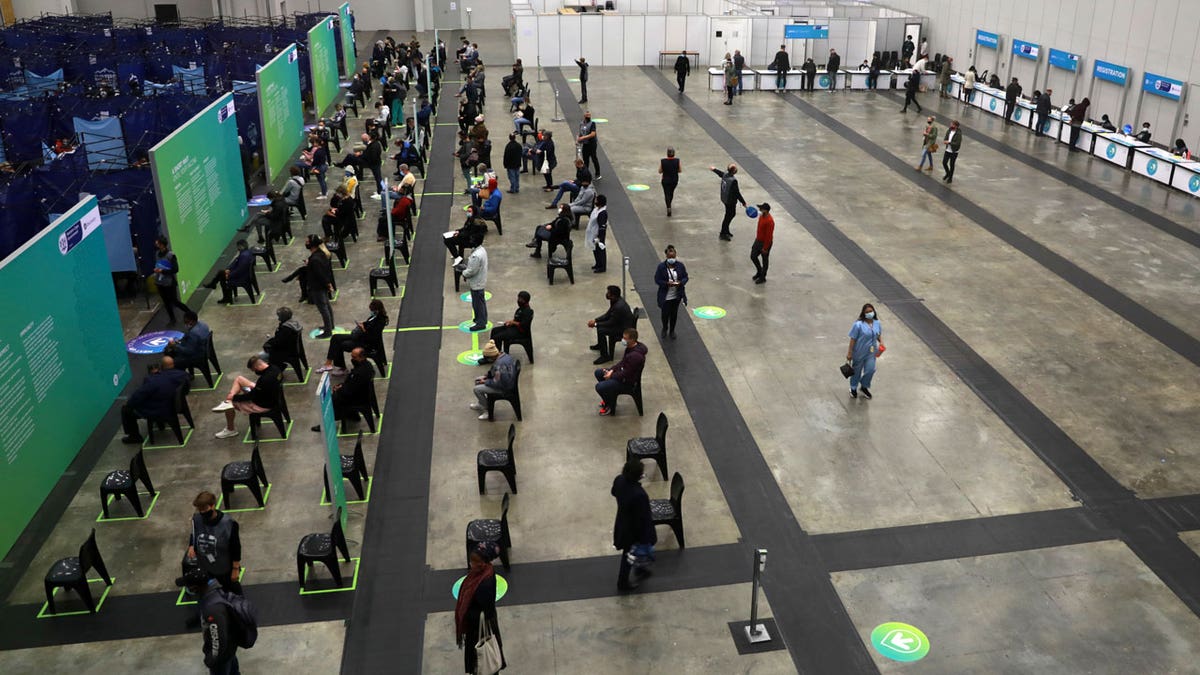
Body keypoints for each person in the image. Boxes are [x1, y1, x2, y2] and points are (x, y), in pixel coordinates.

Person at [175, 569, 243, 675]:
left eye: (188, 586)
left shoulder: (212, 610)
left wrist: (211, 659)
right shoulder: (213, 593)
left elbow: (218, 640)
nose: (187, 588)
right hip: (230, 648)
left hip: (222, 657)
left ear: (195, 588)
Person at [455, 542, 507, 673]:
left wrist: (469, 615)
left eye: (474, 561)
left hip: (480, 628)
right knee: (482, 660)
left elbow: (488, 609)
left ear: (482, 562)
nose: (471, 563)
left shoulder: (484, 582)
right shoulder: (480, 574)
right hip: (477, 626)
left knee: (483, 659)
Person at [120, 356, 190, 444]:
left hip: (159, 409)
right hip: (171, 405)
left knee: (126, 409)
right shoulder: (180, 376)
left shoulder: (152, 381)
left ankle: (134, 436)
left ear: (161, 367)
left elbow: (136, 398)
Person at [211, 356, 283, 439]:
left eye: (254, 370)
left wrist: (235, 397)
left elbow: (251, 397)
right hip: (270, 395)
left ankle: (231, 429)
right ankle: (228, 400)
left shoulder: (264, 380)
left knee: (230, 405)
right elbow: (259, 391)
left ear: (257, 367)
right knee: (239, 379)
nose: (255, 372)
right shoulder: (275, 368)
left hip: (263, 405)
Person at [611, 458, 656, 591]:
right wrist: (647, 536)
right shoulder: (639, 495)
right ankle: (622, 582)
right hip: (634, 530)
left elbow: (614, 492)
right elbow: (644, 518)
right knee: (629, 554)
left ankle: (640, 569)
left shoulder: (619, 480)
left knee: (632, 552)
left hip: (622, 522)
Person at [186, 491, 243, 590]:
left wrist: (235, 569)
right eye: (200, 509)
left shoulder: (229, 524)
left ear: (213, 506)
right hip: (205, 565)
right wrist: (191, 545)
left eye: (204, 508)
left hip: (224, 566)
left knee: (233, 592)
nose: (202, 512)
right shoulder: (197, 519)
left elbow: (236, 547)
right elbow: (194, 533)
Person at [313, 348, 376, 432]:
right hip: (362, 393)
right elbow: (352, 384)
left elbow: (349, 391)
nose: (352, 359)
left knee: (332, 399)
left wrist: (338, 389)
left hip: (358, 398)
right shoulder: (367, 365)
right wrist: (342, 385)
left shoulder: (359, 373)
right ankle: (352, 415)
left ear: (361, 357)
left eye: (354, 357)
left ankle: (326, 424)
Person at [318, 300, 388, 375]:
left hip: (367, 343)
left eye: (372, 310)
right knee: (335, 337)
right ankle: (328, 363)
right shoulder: (373, 317)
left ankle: (342, 368)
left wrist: (363, 329)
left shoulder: (380, 321)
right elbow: (367, 323)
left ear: (377, 310)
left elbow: (372, 337)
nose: (371, 312)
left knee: (341, 344)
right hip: (359, 337)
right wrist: (362, 324)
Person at [594, 328, 647, 416]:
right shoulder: (630, 348)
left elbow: (626, 373)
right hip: (621, 376)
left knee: (599, 387)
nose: (623, 340)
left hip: (627, 382)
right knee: (598, 372)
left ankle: (609, 405)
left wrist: (611, 376)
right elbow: (622, 362)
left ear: (632, 339)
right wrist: (611, 370)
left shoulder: (636, 356)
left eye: (625, 338)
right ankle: (609, 398)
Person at [846, 303, 884, 399]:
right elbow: (853, 339)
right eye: (867, 312)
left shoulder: (877, 323)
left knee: (871, 370)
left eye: (870, 311)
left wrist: (881, 342)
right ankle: (853, 388)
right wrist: (849, 352)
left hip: (871, 352)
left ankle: (864, 386)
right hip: (859, 352)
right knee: (856, 372)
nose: (869, 313)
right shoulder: (858, 325)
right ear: (863, 313)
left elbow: (878, 334)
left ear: (874, 311)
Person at [588, 285, 634, 364]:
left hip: (623, 329)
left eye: (608, 293)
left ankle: (605, 356)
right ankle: (601, 345)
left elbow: (610, 322)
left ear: (613, 295)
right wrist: (596, 320)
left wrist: (595, 324)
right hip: (618, 323)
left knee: (601, 330)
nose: (607, 294)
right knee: (600, 328)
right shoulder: (615, 301)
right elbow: (608, 314)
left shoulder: (619, 307)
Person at [205, 240, 255, 305]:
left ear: (241, 246)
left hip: (242, 278)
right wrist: (228, 269)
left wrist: (230, 275)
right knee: (221, 273)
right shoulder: (247, 252)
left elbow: (240, 269)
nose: (237, 248)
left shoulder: (243, 256)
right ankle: (214, 285)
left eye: (238, 247)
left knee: (222, 276)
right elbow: (236, 262)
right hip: (244, 274)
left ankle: (223, 295)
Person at [153, 236, 190, 323]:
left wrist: (162, 270)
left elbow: (175, 269)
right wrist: (157, 270)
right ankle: (172, 318)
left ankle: (189, 312)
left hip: (169, 283)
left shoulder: (171, 255)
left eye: (158, 244)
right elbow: (158, 264)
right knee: (166, 302)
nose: (157, 245)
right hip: (160, 282)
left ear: (162, 245)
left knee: (174, 301)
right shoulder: (157, 254)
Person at [654, 245, 688, 339]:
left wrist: (681, 282)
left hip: (676, 296)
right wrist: (666, 283)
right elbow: (657, 280)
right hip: (665, 296)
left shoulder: (680, 266)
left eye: (673, 257)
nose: (672, 259)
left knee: (674, 314)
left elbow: (685, 277)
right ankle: (665, 328)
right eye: (670, 257)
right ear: (666, 256)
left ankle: (672, 330)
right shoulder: (661, 267)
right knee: (665, 314)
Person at [305, 235, 335, 338]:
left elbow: (320, 274)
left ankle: (328, 331)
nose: (306, 243)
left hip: (317, 287)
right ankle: (330, 326)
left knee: (323, 309)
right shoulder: (320, 254)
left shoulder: (315, 259)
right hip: (321, 285)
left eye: (307, 241)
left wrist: (327, 284)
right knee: (326, 305)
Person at [470, 351, 516, 420]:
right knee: (478, 380)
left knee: (477, 389)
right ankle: (481, 403)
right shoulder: (504, 356)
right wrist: (487, 376)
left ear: (491, 358)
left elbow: (498, 383)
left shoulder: (500, 365)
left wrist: (486, 381)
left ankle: (487, 410)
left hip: (504, 388)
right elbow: (494, 372)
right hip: (505, 381)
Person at [710, 163, 746, 241]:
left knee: (729, 215)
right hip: (730, 201)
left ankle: (726, 230)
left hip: (724, 199)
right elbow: (737, 193)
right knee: (729, 216)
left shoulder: (726, 175)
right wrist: (743, 202)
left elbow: (720, 173)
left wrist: (714, 169)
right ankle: (723, 233)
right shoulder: (733, 181)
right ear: (734, 171)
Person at [461, 243, 488, 331]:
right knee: (480, 302)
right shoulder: (481, 250)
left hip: (477, 283)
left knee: (478, 304)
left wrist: (463, 273)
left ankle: (481, 323)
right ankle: (480, 318)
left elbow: (472, 271)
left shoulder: (476, 256)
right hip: (480, 280)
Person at [751, 202, 774, 284]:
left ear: (766, 211)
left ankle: (763, 277)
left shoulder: (770, 221)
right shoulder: (761, 216)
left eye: (761, 209)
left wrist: (765, 248)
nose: (760, 209)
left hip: (765, 243)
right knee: (753, 256)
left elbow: (769, 236)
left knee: (765, 260)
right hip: (758, 240)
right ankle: (759, 271)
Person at [586, 194, 609, 273]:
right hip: (593, 233)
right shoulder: (596, 209)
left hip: (598, 235)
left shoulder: (602, 213)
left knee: (600, 250)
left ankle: (602, 267)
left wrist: (599, 237)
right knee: (595, 250)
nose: (595, 201)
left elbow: (602, 227)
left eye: (596, 200)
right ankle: (598, 263)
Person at [577, 110, 601, 180]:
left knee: (594, 158)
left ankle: (598, 173)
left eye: (589, 115)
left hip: (592, 144)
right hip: (585, 144)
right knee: (585, 159)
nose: (588, 116)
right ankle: (586, 173)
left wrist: (583, 137)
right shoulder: (581, 124)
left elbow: (593, 134)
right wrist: (578, 140)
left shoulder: (592, 123)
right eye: (587, 115)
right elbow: (580, 133)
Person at [659, 147, 681, 216]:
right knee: (671, 193)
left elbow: (660, 171)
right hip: (674, 180)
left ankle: (668, 207)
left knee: (666, 193)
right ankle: (669, 203)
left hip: (665, 180)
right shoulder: (677, 161)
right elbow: (680, 170)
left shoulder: (663, 161)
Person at [942, 119, 962, 184]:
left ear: (956, 126)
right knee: (944, 162)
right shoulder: (949, 130)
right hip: (948, 150)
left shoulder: (958, 134)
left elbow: (957, 143)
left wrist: (949, 142)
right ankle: (948, 173)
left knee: (952, 164)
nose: (951, 125)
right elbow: (946, 137)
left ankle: (950, 178)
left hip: (954, 151)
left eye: (952, 124)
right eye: (951, 124)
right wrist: (945, 140)